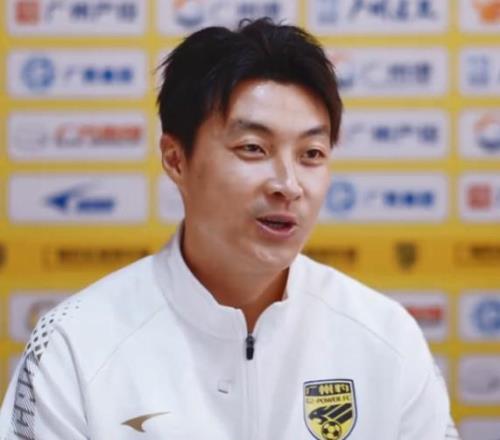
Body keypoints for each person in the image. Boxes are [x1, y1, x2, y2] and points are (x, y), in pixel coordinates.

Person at [0, 18, 459, 440]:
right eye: (253, 148)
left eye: (311, 154)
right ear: (176, 159)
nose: (288, 185)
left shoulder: (386, 338)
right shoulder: (75, 346)